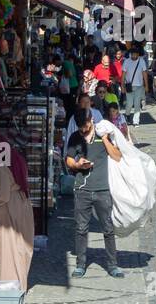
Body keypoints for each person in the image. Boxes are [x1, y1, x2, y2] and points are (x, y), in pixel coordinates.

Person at [64, 109, 124, 279]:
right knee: (81, 228)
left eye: (86, 125)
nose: (84, 130)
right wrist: (77, 165)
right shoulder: (75, 137)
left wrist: (105, 139)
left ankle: (112, 265)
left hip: (103, 188)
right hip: (82, 189)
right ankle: (81, 265)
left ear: (91, 119)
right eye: (81, 127)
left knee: (108, 228)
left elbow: (117, 156)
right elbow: (68, 159)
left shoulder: (102, 134)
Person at [0, 134, 35, 292]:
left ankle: (10, 285)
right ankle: (19, 283)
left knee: (9, 248)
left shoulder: (3, 167)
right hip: (21, 204)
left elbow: (3, 195)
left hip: (10, 210)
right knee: (19, 246)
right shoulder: (17, 158)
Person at [122, 44, 149, 125]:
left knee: (137, 104)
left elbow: (144, 74)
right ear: (130, 54)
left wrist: (146, 85)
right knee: (129, 104)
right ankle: (127, 115)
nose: (133, 55)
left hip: (139, 86)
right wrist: (122, 86)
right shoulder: (127, 61)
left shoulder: (142, 61)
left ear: (138, 54)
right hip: (129, 86)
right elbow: (123, 74)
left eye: (135, 54)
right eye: (132, 54)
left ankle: (136, 121)